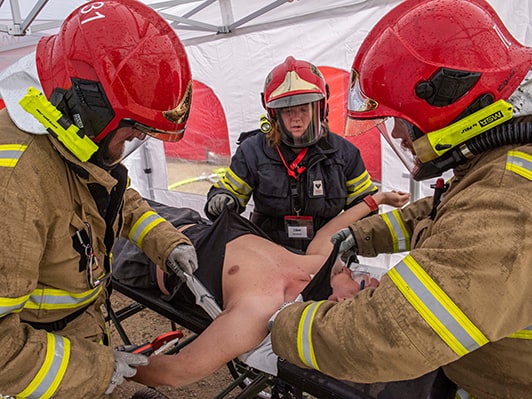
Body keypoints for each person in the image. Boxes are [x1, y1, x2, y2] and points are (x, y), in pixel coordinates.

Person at [269, 1, 532, 398]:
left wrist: (283, 327)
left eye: (400, 118)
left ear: (444, 109)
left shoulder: (506, 202)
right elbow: (444, 212)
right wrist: (362, 235)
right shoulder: (496, 169)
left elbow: (395, 332)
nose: (394, 134)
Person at [0, 1, 201, 397]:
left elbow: (114, 199)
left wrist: (168, 242)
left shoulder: (73, 142)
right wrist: (94, 368)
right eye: (133, 130)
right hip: (34, 370)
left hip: (76, 332)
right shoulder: (15, 186)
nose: (139, 141)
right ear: (88, 108)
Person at [109, 190, 409, 389]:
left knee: (83, 215)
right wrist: (377, 200)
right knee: (115, 190)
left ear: (342, 299)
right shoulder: (320, 265)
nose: (359, 271)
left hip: (143, 253)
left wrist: (105, 366)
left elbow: (179, 371)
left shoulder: (261, 308)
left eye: (362, 281)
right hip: (187, 220)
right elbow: (329, 232)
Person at [204, 56, 378, 252]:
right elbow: (231, 190)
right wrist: (222, 199)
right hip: (269, 252)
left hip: (325, 252)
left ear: (321, 108)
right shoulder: (252, 151)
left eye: (304, 109)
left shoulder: (345, 154)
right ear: (273, 114)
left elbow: (365, 204)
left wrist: (354, 237)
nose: (297, 118)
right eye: (288, 111)